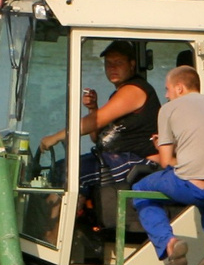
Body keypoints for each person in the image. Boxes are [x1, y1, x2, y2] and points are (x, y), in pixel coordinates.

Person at [133, 64, 204, 265]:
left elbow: (165, 162)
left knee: (139, 189)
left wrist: (159, 146)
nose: (166, 95)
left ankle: (170, 244)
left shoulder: (168, 109)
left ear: (179, 88)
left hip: (190, 186)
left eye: (167, 89)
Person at [41, 40, 158, 221]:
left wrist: (55, 137)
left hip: (135, 161)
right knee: (63, 168)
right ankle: (70, 226)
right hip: (114, 158)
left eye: (118, 63)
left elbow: (96, 122)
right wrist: (93, 109)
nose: (112, 68)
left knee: (69, 172)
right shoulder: (119, 93)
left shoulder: (134, 90)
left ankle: (53, 231)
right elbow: (98, 137)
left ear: (132, 64)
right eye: (108, 64)